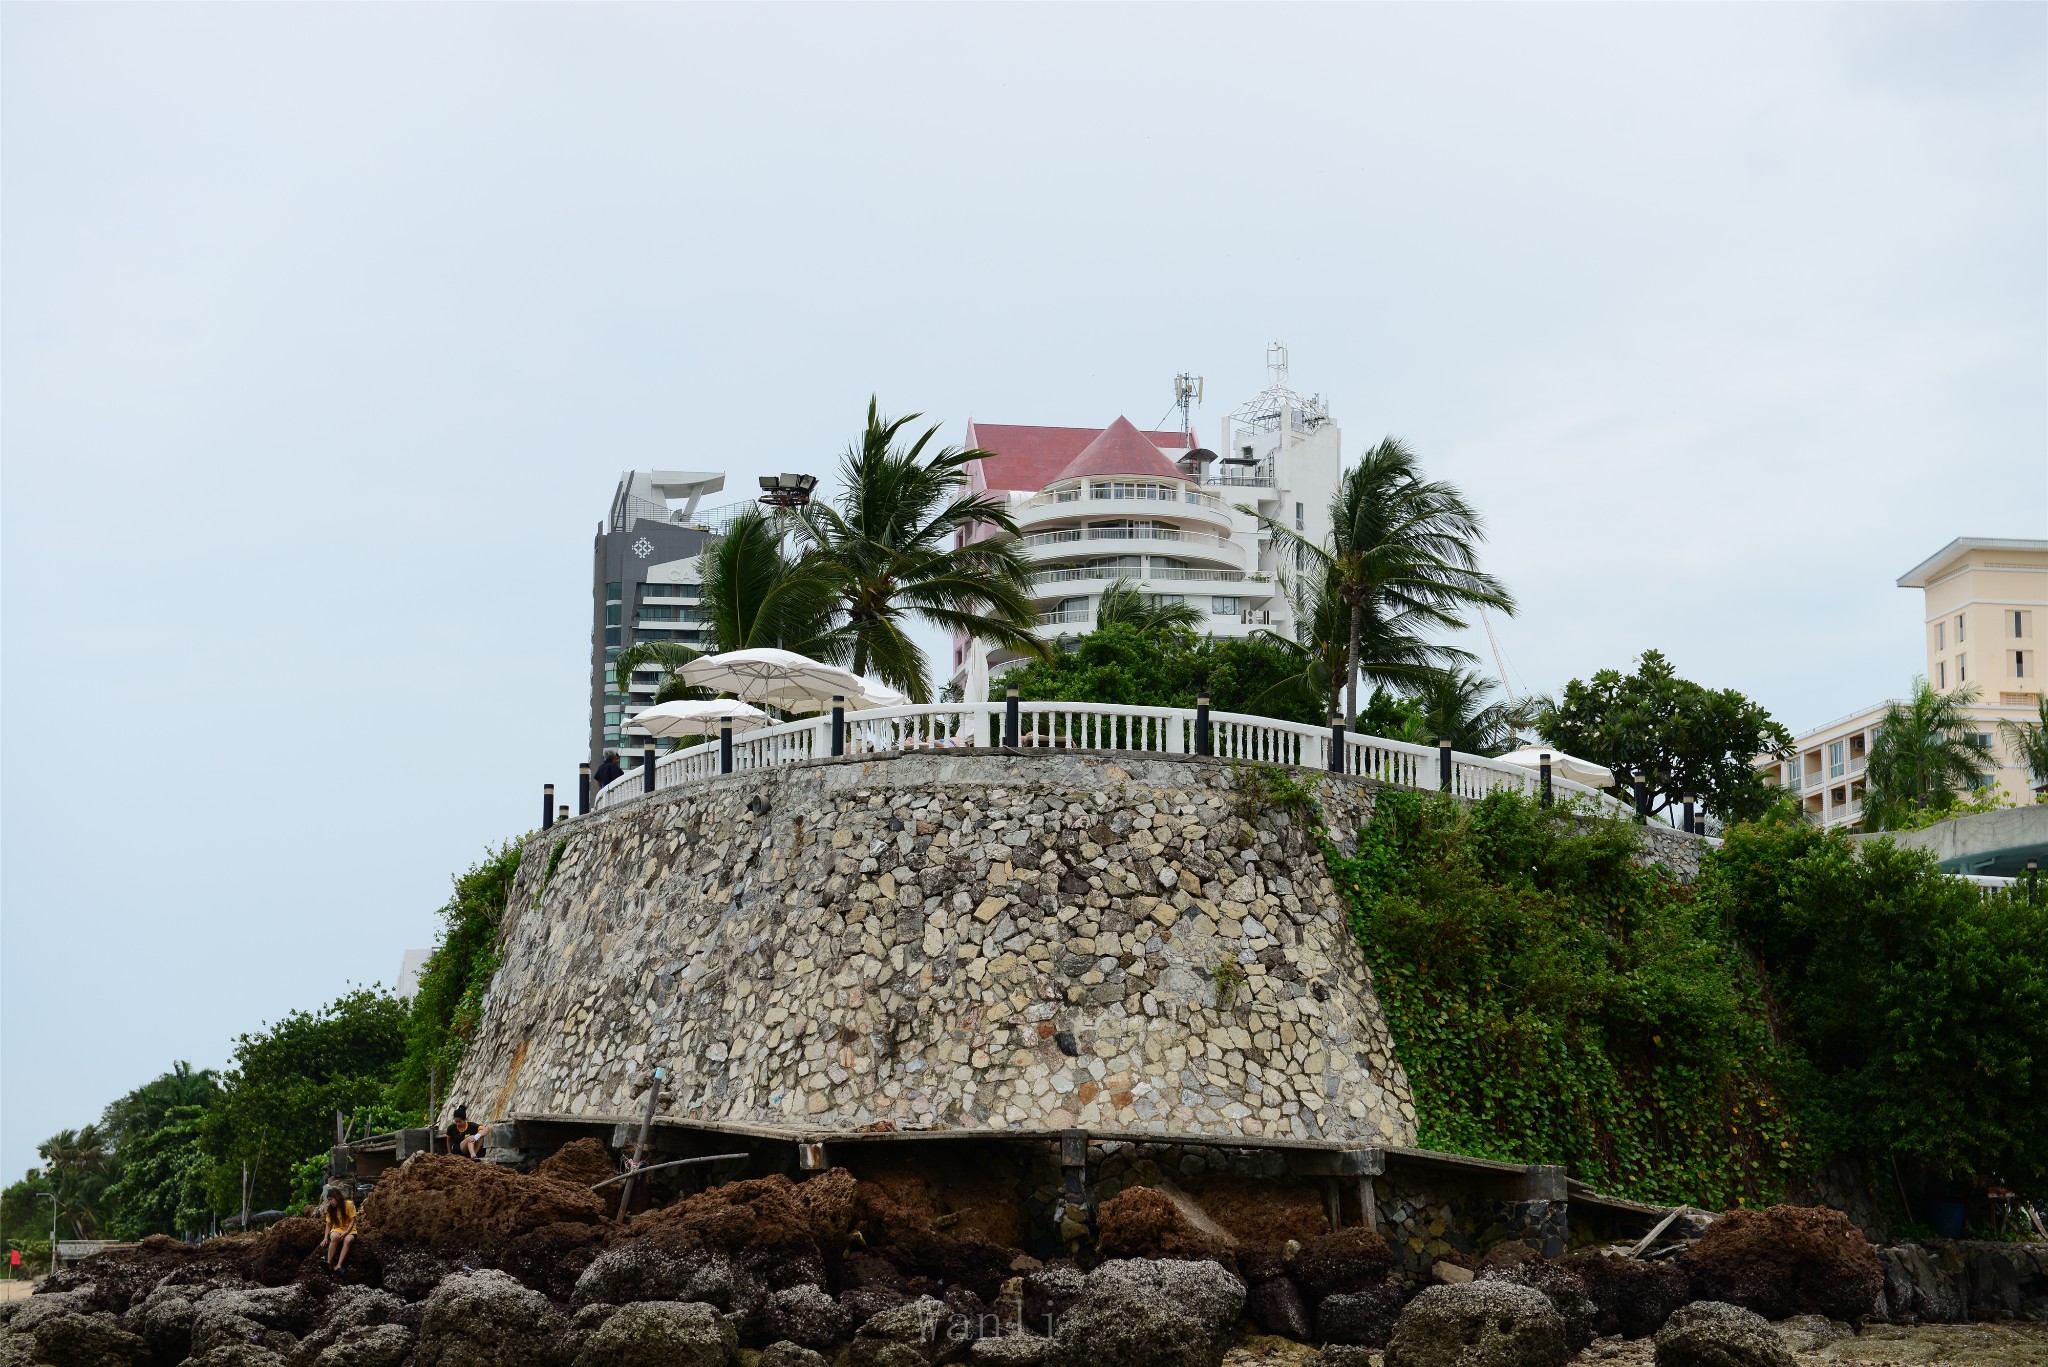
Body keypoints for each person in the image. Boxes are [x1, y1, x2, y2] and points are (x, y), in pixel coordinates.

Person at [318, 1186, 357, 1270]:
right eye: (329, 1200)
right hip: (337, 1229)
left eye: (331, 1199)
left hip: (350, 1230)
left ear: (337, 1197)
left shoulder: (349, 1204)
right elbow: (328, 1225)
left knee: (348, 1240)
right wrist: (325, 1238)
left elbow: (352, 1220)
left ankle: (339, 1265)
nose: (330, 1202)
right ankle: (329, 1263)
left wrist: (346, 1232)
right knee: (334, 1237)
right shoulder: (330, 1209)